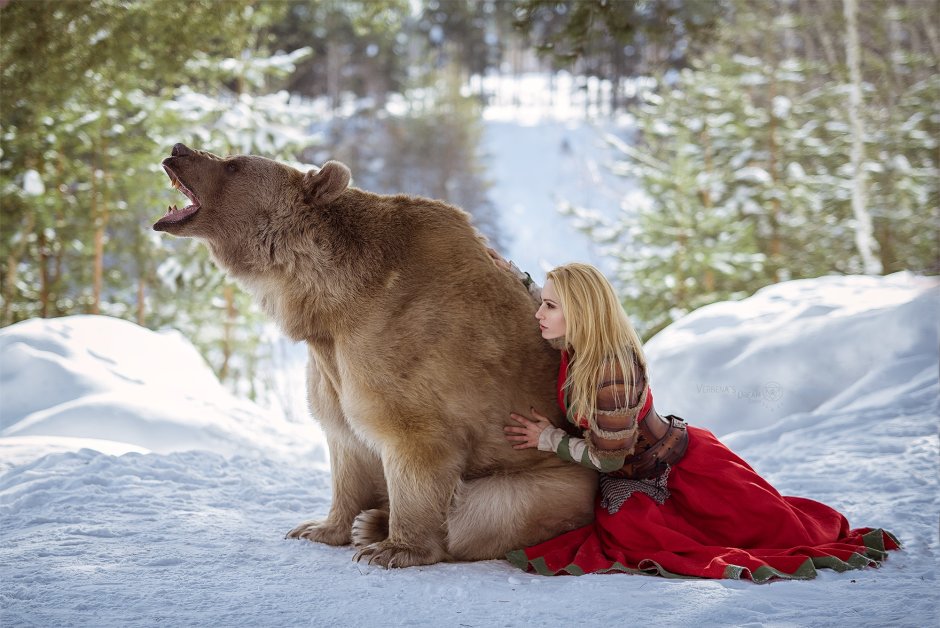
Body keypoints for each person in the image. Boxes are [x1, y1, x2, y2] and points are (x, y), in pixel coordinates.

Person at [500, 261, 899, 582]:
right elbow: (552, 296)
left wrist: (550, 439)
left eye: (550, 306)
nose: (539, 312)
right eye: (543, 302)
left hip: (678, 472)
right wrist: (515, 277)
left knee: (784, 534)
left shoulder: (611, 371)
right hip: (641, 471)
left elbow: (608, 459)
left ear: (581, 311)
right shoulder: (581, 344)